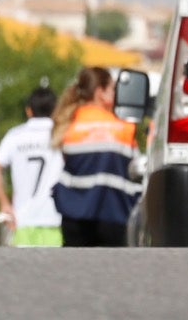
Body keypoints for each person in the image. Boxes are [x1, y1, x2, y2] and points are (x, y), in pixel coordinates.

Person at [51, 66, 141, 247]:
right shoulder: (124, 129)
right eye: (113, 89)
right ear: (100, 92)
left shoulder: (67, 127)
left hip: (74, 215)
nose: (116, 94)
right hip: (113, 215)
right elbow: (135, 171)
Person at [0, 85, 64, 247]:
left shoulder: (15, 135)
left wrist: (4, 203)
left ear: (29, 111)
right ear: (56, 110)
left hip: (23, 219)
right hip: (55, 218)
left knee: (23, 270)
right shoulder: (61, 135)